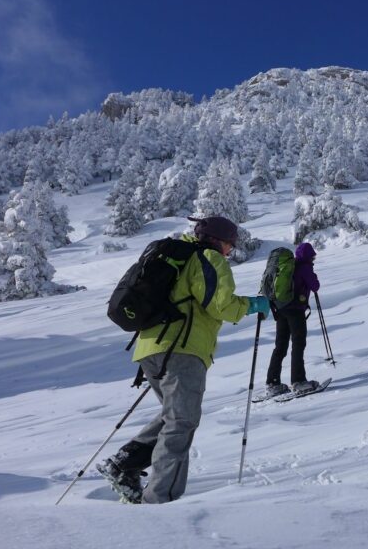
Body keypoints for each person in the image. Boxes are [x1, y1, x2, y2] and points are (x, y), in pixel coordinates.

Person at [97, 216, 267, 504]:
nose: (230, 251)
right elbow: (221, 305)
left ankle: (126, 461)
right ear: (219, 240)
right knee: (182, 422)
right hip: (182, 349)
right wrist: (252, 305)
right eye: (230, 244)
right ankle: (160, 502)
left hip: (150, 349)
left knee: (174, 414)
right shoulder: (209, 258)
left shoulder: (178, 256)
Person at [264, 242, 321, 397]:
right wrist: (313, 275)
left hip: (281, 308)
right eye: (313, 256)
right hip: (295, 310)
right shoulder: (305, 267)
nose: (313, 259)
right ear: (309, 256)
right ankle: (298, 381)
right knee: (298, 344)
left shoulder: (290, 266)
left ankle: (272, 382)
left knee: (280, 346)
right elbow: (315, 286)